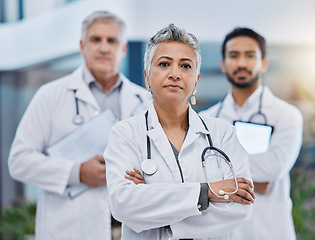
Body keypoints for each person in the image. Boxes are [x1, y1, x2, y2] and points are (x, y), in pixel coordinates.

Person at [104, 23, 255, 240]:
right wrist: (208, 192)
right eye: (164, 64)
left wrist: (153, 200)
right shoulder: (126, 134)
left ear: (196, 81)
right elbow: (123, 205)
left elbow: (241, 208)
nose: (175, 73)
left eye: (185, 66)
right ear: (147, 77)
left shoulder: (223, 134)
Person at [8, 11, 149, 240]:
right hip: (70, 230)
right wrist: (76, 173)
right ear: (82, 46)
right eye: (96, 40)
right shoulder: (50, 96)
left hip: (129, 228)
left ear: (123, 49)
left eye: (111, 41)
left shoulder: (144, 101)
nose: (104, 48)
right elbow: (18, 161)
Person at [199, 27, 303, 240]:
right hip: (223, 232)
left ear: (264, 63)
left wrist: (218, 176)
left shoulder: (287, 115)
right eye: (233, 55)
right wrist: (256, 178)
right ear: (223, 64)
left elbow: (274, 167)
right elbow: (195, 171)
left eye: (250, 55)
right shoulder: (206, 120)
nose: (241, 63)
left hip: (271, 231)